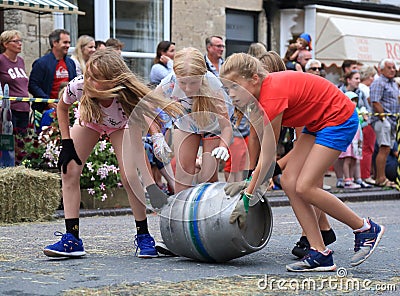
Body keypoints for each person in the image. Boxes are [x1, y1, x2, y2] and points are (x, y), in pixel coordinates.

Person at [220, 53, 384, 272]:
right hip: (317, 123)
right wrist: (251, 180)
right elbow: (260, 146)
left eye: (235, 87)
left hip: (338, 119)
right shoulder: (261, 95)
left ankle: (364, 228)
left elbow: (268, 156)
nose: (231, 94)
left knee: (305, 186)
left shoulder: (271, 96)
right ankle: (320, 252)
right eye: (227, 89)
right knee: (289, 181)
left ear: (253, 79)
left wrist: (247, 197)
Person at [43, 48, 183, 258]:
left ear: (113, 81)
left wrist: (157, 137)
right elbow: (61, 108)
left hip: (122, 125)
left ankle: (144, 235)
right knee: (69, 170)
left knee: (129, 177)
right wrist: (66, 142)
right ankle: (72, 239)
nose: (89, 81)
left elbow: (145, 113)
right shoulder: (79, 86)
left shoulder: (126, 92)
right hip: (91, 121)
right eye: (88, 74)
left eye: (96, 78)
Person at [257, 51, 336, 259]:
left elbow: (304, 142)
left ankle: (309, 237)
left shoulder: (283, 92)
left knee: (308, 187)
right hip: (311, 136)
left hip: (321, 134)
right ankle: (325, 230)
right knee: (302, 185)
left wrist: (277, 165)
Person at [158, 47, 232, 193]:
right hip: (186, 123)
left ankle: (209, 209)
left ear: (202, 76)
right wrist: (156, 135)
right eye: (183, 82)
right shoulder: (169, 82)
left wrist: (223, 146)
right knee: (183, 171)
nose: (187, 88)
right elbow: (148, 108)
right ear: (176, 75)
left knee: (207, 176)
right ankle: (180, 211)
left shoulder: (212, 84)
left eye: (193, 83)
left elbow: (226, 127)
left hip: (212, 126)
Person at [28, 29, 76, 115]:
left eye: (69, 42)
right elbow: (33, 85)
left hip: (67, 110)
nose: (68, 45)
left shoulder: (71, 63)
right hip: (44, 110)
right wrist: (47, 101)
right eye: (65, 42)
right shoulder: (41, 63)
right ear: (55, 43)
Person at [370, 58, 399, 188]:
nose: (393, 70)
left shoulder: (393, 83)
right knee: (384, 148)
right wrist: (383, 119)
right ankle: (381, 178)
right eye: (389, 67)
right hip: (383, 120)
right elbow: (375, 101)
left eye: (394, 67)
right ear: (381, 69)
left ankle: (379, 176)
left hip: (392, 120)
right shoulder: (379, 82)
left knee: (385, 149)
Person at [0, 30, 30, 133]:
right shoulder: (1, 60)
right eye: (15, 41)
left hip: (24, 108)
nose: (20, 44)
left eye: (20, 41)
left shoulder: (21, 61)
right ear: (6, 44)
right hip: (10, 109)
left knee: (23, 142)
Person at [358, 65, 377, 185]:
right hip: (367, 122)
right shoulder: (365, 89)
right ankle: (365, 175)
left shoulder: (361, 88)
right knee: (367, 149)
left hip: (362, 123)